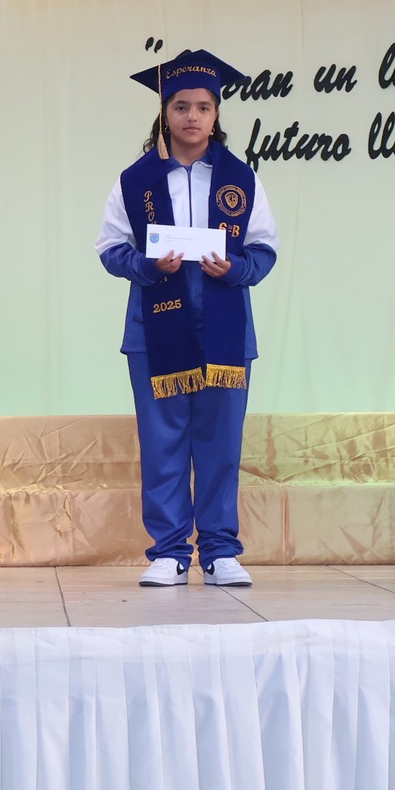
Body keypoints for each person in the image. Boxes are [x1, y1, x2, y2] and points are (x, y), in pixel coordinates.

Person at [95, 50, 279, 588]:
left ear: (217, 113)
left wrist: (236, 268)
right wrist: (149, 266)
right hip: (155, 331)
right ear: (165, 112)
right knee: (163, 442)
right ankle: (169, 551)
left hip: (225, 330)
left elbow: (265, 251)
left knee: (221, 443)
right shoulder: (135, 181)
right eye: (181, 106)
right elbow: (110, 250)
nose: (192, 117)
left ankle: (221, 550)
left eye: (203, 106)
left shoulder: (242, 179)